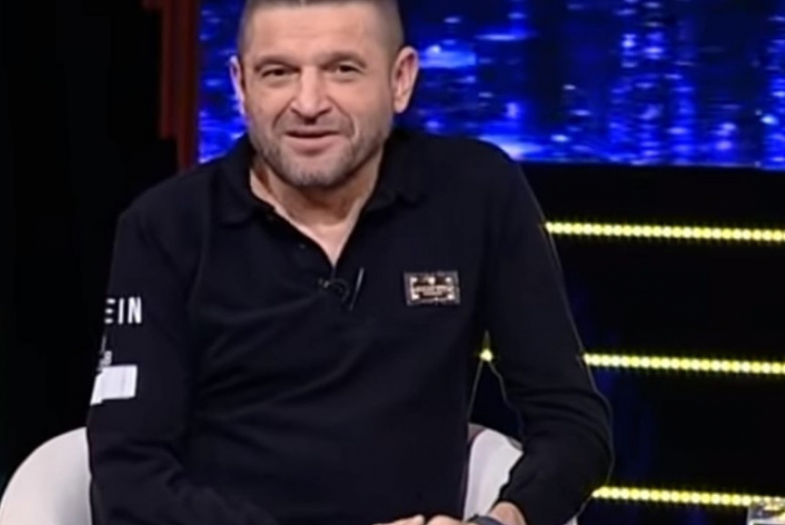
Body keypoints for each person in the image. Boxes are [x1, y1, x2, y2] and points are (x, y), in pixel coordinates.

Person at [86, 1, 613, 525]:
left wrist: (503, 520)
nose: (308, 103)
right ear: (241, 86)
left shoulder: (476, 194)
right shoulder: (166, 227)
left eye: (342, 69)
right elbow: (128, 474)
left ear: (400, 80)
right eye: (278, 72)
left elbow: (572, 423)